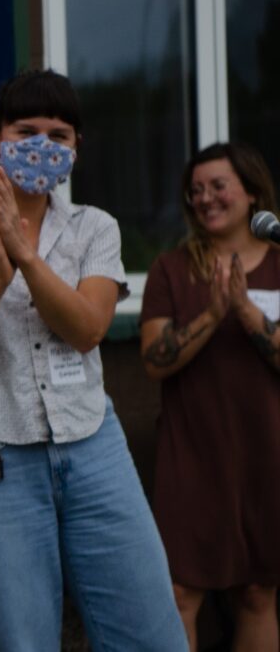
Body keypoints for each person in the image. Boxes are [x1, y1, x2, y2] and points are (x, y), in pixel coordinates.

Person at [0, 69, 186, 651]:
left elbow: (87, 329)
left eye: (59, 134)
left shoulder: (94, 227)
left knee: (152, 633)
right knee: (22, 639)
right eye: (26, 130)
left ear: (78, 146)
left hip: (92, 445)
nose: (43, 145)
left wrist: (24, 255)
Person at [140, 141, 280, 651]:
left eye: (218, 185)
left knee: (258, 594)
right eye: (195, 190)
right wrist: (212, 312)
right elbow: (154, 360)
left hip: (267, 452)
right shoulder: (171, 269)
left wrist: (244, 310)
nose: (205, 198)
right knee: (177, 593)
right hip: (191, 455)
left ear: (252, 192)